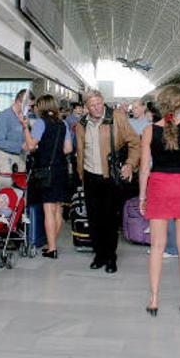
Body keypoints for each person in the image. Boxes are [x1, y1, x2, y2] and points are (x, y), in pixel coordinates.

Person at [139, 59, 180, 316]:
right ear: (179, 105)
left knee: (157, 246)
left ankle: (154, 299)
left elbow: (145, 169)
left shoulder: (148, 131)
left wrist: (142, 196)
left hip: (159, 185)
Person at [75, 90, 141, 274]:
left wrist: (129, 164)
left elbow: (135, 142)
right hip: (89, 175)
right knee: (94, 218)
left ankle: (111, 256)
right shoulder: (81, 124)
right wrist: (79, 175)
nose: (97, 108)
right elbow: (80, 150)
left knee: (110, 218)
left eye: (99, 103)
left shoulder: (117, 118)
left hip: (110, 176)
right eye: (92, 105)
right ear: (86, 107)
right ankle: (99, 254)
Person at [23, 94, 73, 259]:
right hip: (61, 170)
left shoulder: (40, 123)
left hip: (47, 171)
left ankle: (52, 249)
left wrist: (25, 128)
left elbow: (31, 145)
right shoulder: (63, 124)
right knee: (57, 209)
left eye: (37, 106)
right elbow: (67, 149)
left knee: (48, 210)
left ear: (41, 107)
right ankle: (52, 244)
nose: (35, 108)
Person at [0, 89, 28, 185]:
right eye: (28, 105)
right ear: (19, 102)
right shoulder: (4, 116)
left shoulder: (23, 117)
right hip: (4, 160)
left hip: (19, 159)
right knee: (5, 191)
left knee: (18, 192)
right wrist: (20, 146)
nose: (29, 108)